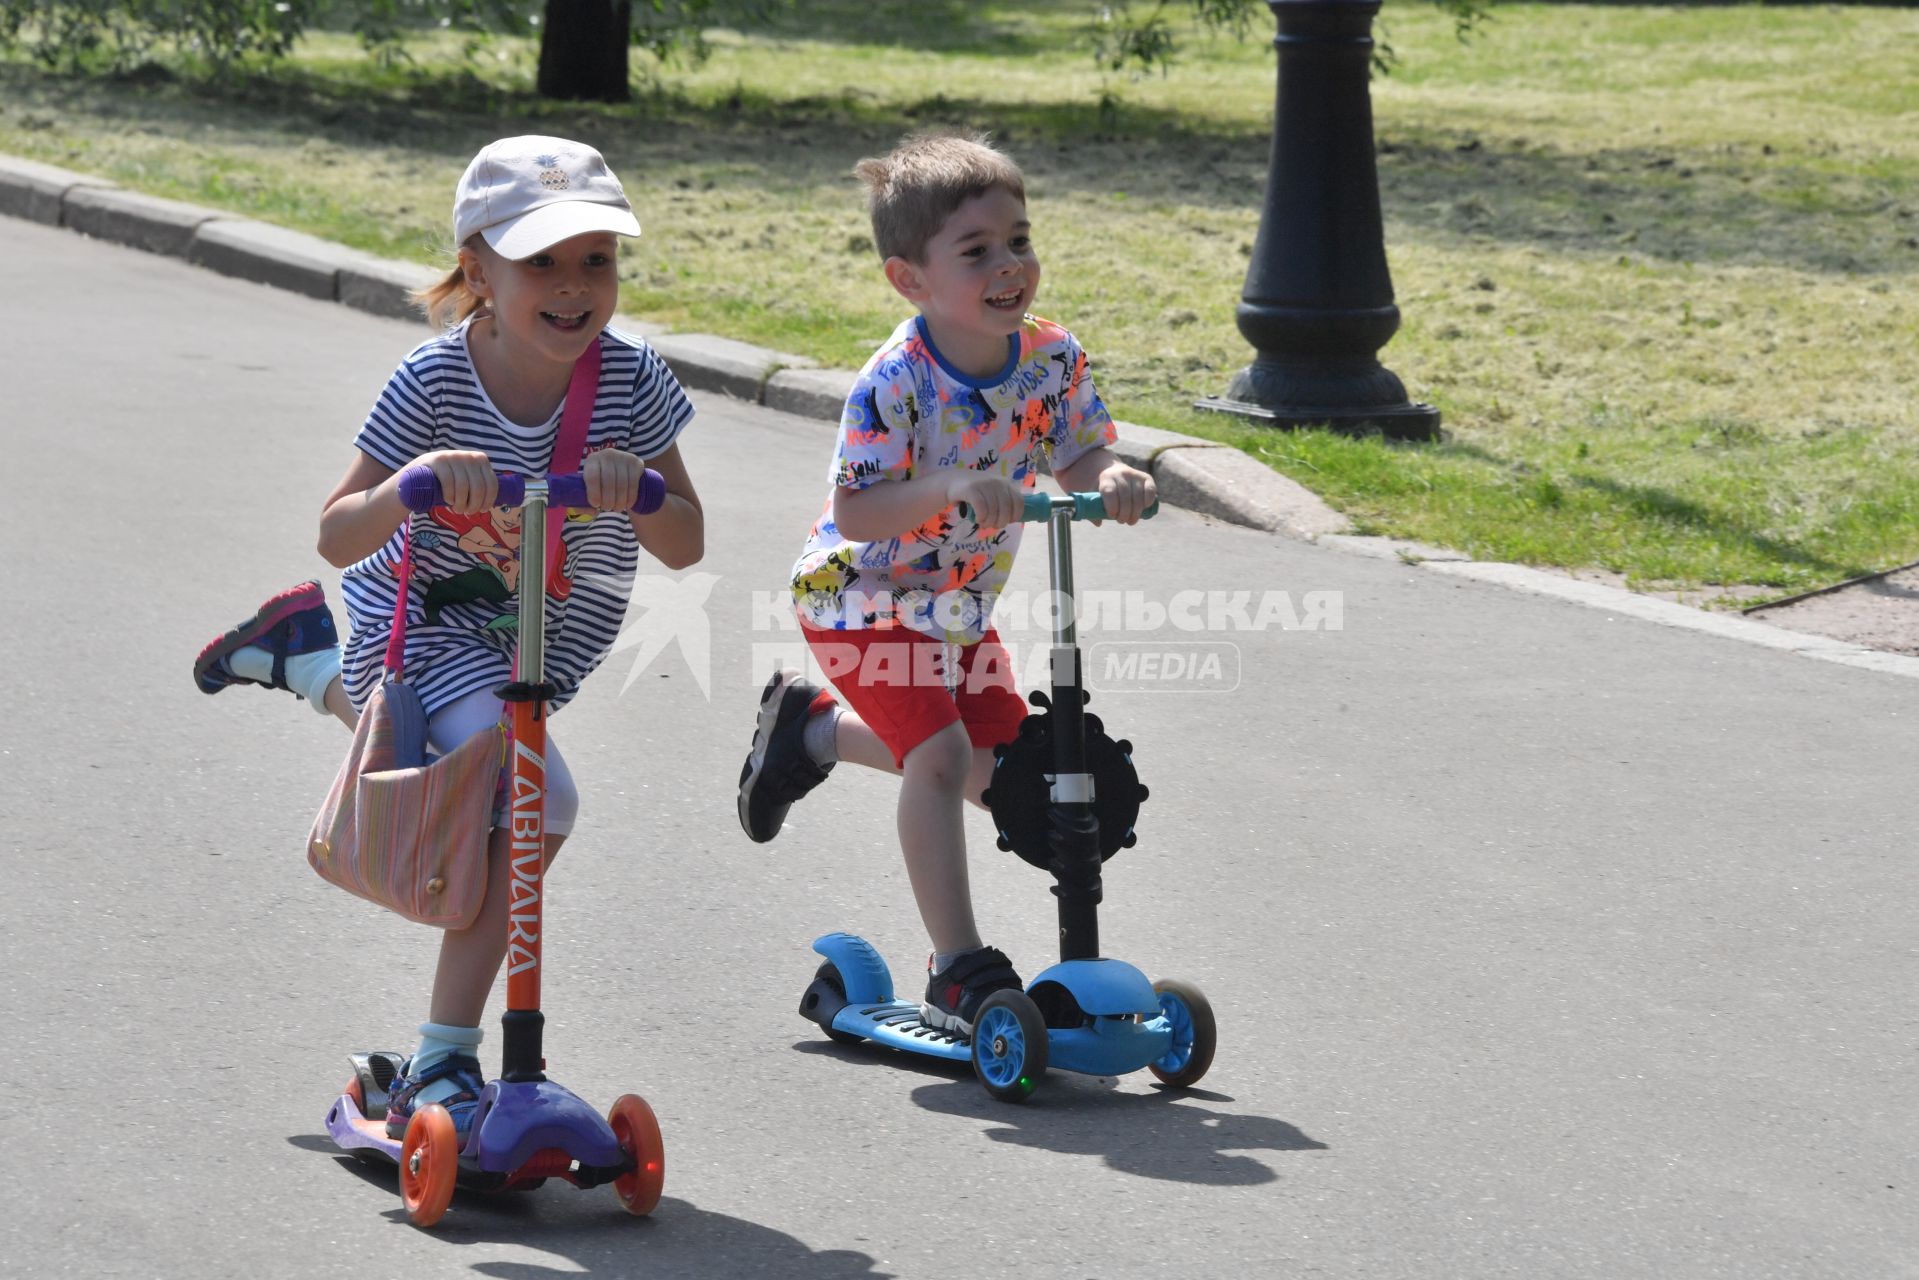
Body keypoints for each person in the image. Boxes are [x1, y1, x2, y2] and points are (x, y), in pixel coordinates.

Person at [191, 136, 704, 1137]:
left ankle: (304, 653)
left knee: (454, 781)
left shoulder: (632, 380)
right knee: (535, 799)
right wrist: (413, 479)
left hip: (544, 639)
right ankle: (445, 1056)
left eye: (595, 259)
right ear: (478, 269)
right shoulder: (431, 375)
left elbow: (685, 543)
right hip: (429, 617)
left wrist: (636, 488)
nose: (574, 287)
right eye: (541, 262)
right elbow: (338, 531)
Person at [735, 131, 1155, 1037]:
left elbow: (1079, 446)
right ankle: (956, 965)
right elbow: (856, 512)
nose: (1010, 265)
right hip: (861, 595)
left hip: (957, 609)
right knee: (936, 755)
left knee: (999, 776)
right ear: (909, 279)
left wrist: (1109, 476)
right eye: (977, 251)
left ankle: (811, 734)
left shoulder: (1049, 358)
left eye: (1019, 240)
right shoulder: (897, 379)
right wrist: (952, 487)